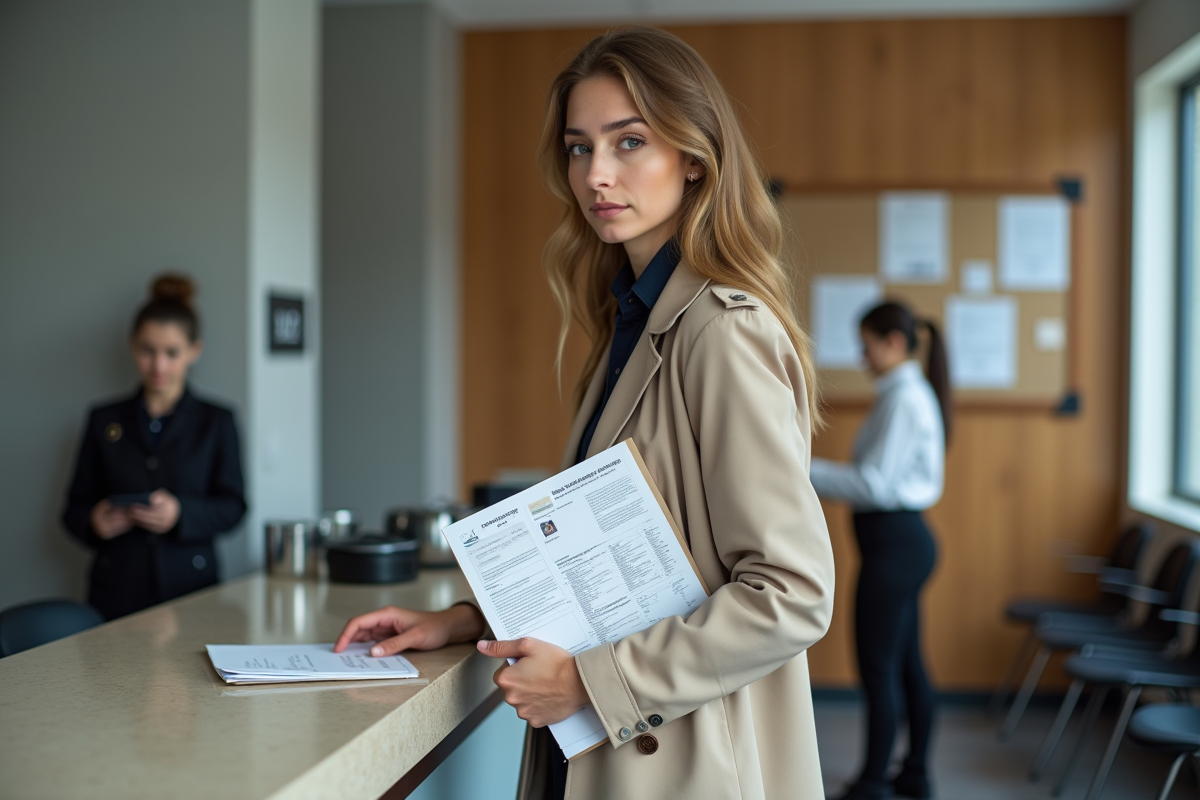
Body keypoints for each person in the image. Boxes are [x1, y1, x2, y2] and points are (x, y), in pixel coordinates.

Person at [335, 27, 835, 800]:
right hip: (608, 742)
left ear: (694, 157)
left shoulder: (723, 330)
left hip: (682, 755)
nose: (597, 174)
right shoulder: (630, 323)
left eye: (629, 142)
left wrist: (593, 684)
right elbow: (610, 551)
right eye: (578, 148)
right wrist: (469, 619)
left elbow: (792, 593)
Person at [809, 301, 951, 800]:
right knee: (906, 665)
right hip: (899, 547)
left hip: (896, 549)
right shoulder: (904, 394)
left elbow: (875, 485)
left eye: (866, 345)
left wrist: (799, 468)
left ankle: (873, 783)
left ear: (893, 343)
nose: (861, 356)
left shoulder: (904, 399)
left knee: (879, 669)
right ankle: (914, 775)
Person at [62, 275, 247, 621]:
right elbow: (72, 509)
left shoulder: (217, 421)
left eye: (171, 353)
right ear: (133, 346)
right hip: (116, 589)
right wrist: (94, 521)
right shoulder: (103, 419)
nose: (158, 366)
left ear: (194, 351)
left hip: (191, 589)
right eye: (148, 351)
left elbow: (234, 506)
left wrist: (181, 514)